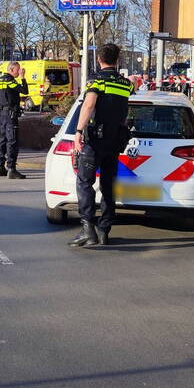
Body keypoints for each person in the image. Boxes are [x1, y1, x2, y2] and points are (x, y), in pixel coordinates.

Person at [69, 43, 135, 248]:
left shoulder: (96, 81)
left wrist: (78, 132)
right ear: (117, 61)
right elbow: (133, 88)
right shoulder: (125, 84)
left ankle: (88, 230)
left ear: (99, 59)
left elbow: (89, 105)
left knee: (84, 182)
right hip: (115, 141)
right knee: (108, 186)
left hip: (95, 141)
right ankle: (104, 231)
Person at [0, 61, 28, 179]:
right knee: (12, 141)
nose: (19, 72)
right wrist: (23, 78)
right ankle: (11, 168)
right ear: (12, 70)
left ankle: (0, 166)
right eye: (18, 70)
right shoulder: (10, 81)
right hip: (10, 114)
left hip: (2, 113)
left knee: (2, 139)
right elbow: (24, 91)